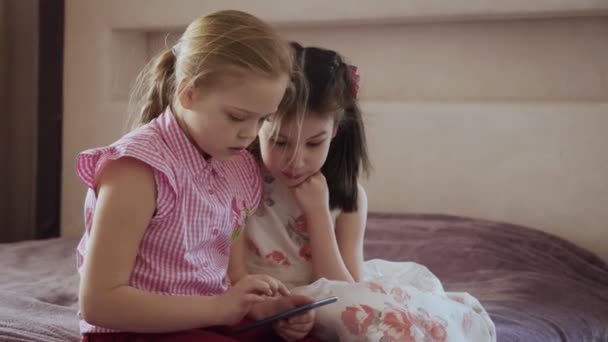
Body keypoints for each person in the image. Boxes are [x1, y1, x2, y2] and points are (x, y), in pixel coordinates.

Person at [75, 10, 316, 342]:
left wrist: (259, 309)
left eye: (262, 120)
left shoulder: (238, 168)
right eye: (237, 117)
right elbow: (99, 303)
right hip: (133, 331)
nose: (249, 134)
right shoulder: (137, 169)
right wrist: (219, 309)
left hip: (205, 321)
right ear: (189, 93)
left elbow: (232, 276)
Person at [231, 42, 497, 341]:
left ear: (334, 131)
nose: (296, 160)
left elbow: (347, 287)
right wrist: (274, 308)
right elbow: (234, 275)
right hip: (267, 300)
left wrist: (317, 212)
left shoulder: (349, 198)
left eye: (314, 143)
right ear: (260, 123)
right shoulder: (239, 181)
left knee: (383, 320)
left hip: (331, 296)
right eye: (280, 142)